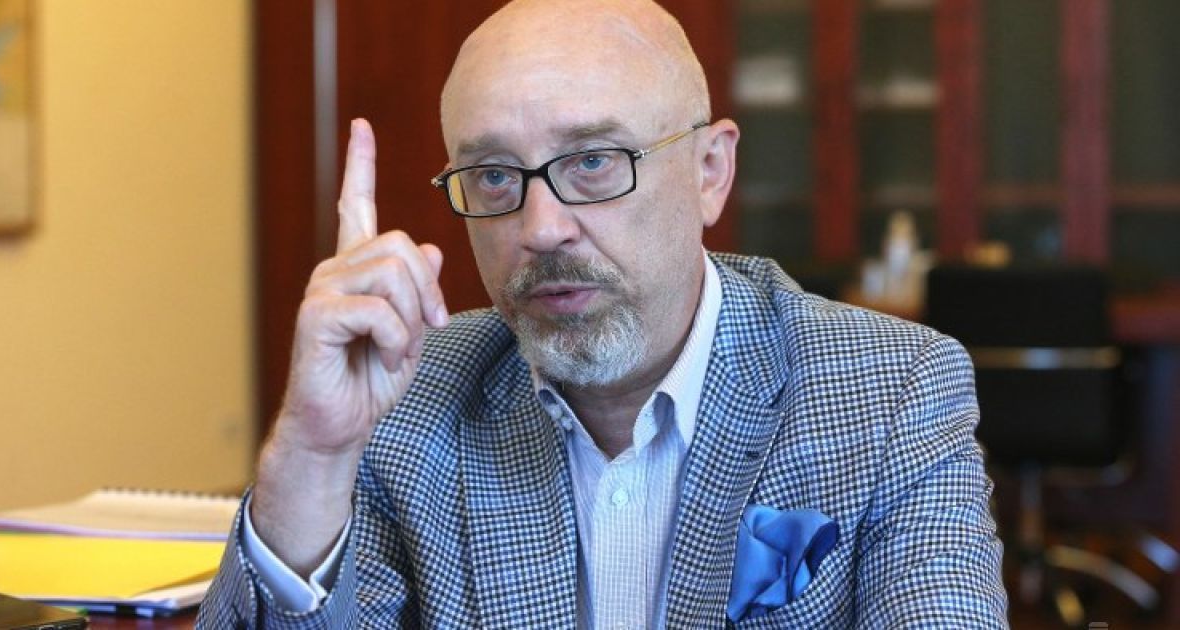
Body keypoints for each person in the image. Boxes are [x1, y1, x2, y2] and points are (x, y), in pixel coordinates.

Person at [198, 0, 1008, 627]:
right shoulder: (410, 397)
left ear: (710, 172)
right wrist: (313, 452)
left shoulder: (890, 389)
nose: (541, 227)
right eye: (494, 176)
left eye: (592, 161)